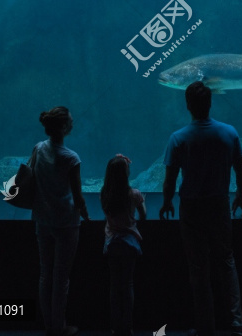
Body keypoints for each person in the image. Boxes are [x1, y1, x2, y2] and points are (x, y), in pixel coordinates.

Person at [159, 81, 242, 336]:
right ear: (210, 102)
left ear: (188, 105)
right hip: (219, 204)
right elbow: (241, 171)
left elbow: (170, 179)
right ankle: (237, 325)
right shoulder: (229, 133)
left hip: (191, 208)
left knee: (198, 267)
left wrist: (167, 202)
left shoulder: (178, 138)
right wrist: (240, 194)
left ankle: (205, 327)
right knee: (226, 262)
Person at [29, 106, 90, 336]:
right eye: (70, 121)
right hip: (66, 222)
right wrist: (84, 213)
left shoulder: (38, 148)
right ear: (63, 128)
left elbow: (30, 178)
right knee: (61, 277)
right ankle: (60, 326)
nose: (73, 123)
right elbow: (77, 195)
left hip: (42, 220)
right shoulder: (71, 158)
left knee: (46, 274)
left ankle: (48, 326)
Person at [100, 153, 147, 336]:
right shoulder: (134, 194)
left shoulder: (104, 193)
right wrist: (142, 201)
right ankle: (127, 327)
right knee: (127, 285)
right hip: (129, 244)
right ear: (126, 174)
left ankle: (114, 326)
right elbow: (143, 216)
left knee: (114, 286)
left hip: (112, 243)